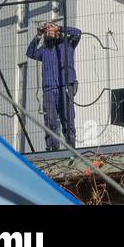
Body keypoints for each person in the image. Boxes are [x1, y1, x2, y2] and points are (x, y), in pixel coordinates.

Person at [25, 20, 81, 151]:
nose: (49, 30)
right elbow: (30, 53)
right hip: (49, 87)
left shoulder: (67, 44)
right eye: (47, 29)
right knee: (50, 120)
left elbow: (78, 33)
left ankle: (71, 147)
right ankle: (52, 148)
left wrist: (59, 28)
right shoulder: (44, 50)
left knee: (67, 118)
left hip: (65, 86)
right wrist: (38, 35)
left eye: (51, 28)